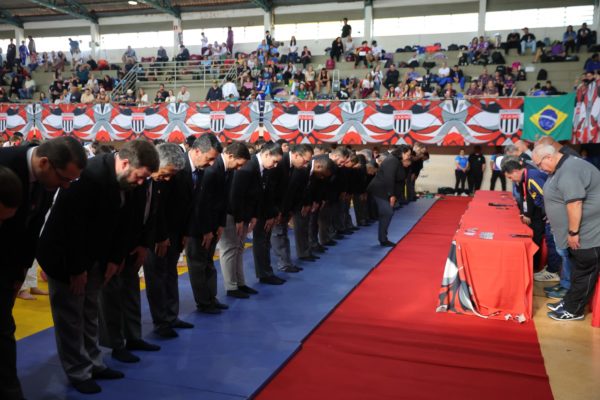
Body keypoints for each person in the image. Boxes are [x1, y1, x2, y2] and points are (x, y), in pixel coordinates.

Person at [37, 140, 158, 394]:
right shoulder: (89, 176)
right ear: (125, 163)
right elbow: (71, 229)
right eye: (139, 176)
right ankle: (78, 371)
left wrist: (115, 259)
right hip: (65, 257)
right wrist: (76, 270)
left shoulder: (129, 181)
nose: (141, 182)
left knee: (90, 311)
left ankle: (94, 362)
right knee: (71, 317)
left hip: (96, 256)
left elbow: (126, 223)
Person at [0, 137, 87, 400]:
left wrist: (21, 272)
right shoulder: (6, 164)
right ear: (45, 163)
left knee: (3, 328)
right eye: (64, 178)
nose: (66, 186)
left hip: (9, 265)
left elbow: (32, 228)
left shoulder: (47, 181)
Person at [98, 143, 185, 364]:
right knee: (111, 297)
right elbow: (123, 219)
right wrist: (117, 255)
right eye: (165, 173)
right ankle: (116, 344)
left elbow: (150, 216)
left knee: (131, 292)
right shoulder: (132, 180)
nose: (167, 179)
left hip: (136, 245)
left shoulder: (153, 182)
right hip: (115, 247)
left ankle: (133, 337)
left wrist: (144, 245)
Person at [533, 144, 600, 321]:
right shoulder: (561, 167)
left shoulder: (570, 170)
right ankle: (570, 301)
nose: (540, 169)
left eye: (539, 164)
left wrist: (573, 232)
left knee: (583, 271)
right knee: (576, 270)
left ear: (548, 157)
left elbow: (575, 203)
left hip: (587, 233)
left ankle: (574, 310)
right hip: (579, 231)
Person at [270, 144, 313, 273]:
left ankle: (286, 262)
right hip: (273, 207)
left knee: (283, 234)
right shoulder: (279, 163)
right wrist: (276, 211)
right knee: (277, 234)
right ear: (296, 155)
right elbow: (273, 191)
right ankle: (283, 264)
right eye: (305, 160)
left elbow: (296, 192)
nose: (306, 164)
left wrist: (290, 211)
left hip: (286, 207)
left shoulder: (299, 169)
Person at [367, 146, 411, 246]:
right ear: (402, 153)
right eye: (407, 154)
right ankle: (383, 239)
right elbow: (389, 178)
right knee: (387, 212)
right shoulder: (392, 160)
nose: (409, 157)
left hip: (385, 191)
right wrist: (391, 195)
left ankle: (383, 238)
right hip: (380, 190)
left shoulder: (397, 161)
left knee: (387, 213)